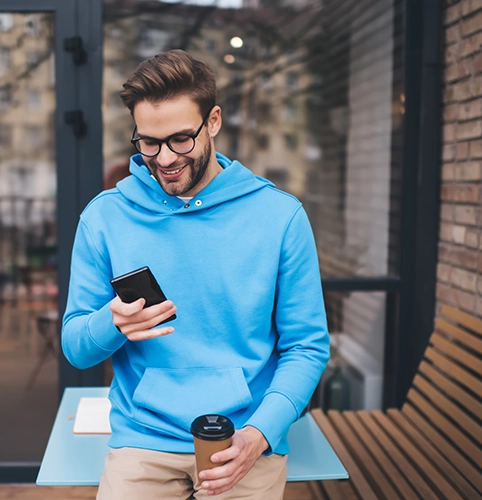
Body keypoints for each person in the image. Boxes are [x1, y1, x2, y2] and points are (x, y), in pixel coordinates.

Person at [61, 49, 330, 499]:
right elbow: (76, 347)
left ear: (214, 121)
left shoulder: (279, 216)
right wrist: (112, 323)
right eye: (149, 142)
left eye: (181, 139)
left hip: (244, 438)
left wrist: (261, 433)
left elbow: (306, 347)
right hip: (144, 440)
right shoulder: (104, 218)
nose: (165, 158)